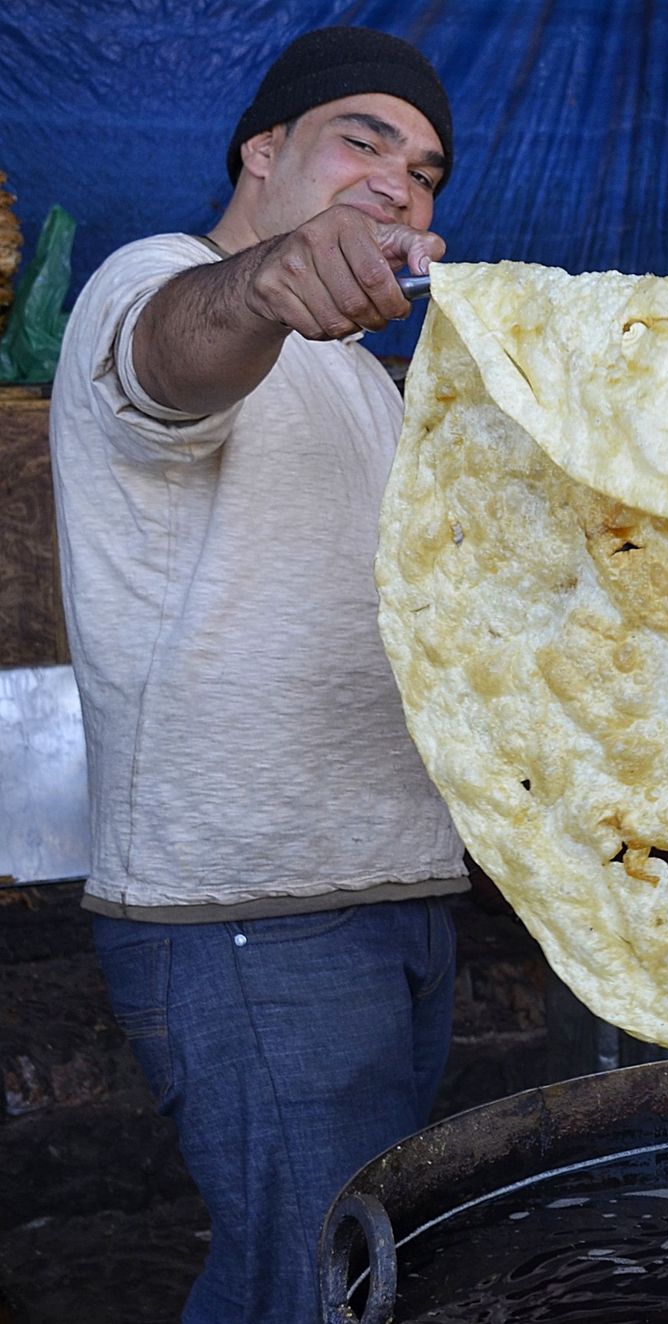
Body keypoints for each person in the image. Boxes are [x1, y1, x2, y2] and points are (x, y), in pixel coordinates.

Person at [48, 26, 468, 1322]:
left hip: (396, 888)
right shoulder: (162, 277)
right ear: (264, 149)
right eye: (365, 137)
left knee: (354, 1275)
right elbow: (175, 355)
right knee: (314, 1285)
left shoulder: (365, 378)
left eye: (429, 167)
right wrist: (269, 279)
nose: (402, 179)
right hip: (251, 907)